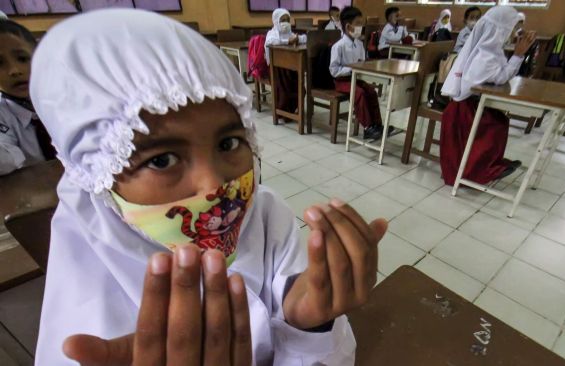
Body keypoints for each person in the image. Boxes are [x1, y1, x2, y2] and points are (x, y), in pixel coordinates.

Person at [31, 9, 387, 365]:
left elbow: (311, 329)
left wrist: (309, 322)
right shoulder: (88, 294)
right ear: (96, 176)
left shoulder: (263, 213)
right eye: (161, 160)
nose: (214, 185)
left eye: (228, 144)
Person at [440, 6, 536, 186]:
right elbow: (500, 77)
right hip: (464, 110)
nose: (514, 33)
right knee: (495, 125)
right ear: (500, 31)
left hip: (470, 105)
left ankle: (488, 164)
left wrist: (516, 55)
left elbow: (499, 77)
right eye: (512, 29)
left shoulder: (490, 51)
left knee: (499, 120)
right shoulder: (485, 56)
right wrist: (517, 56)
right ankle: (479, 170)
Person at [0, 20, 56, 175]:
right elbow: (5, 160)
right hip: (33, 194)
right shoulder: (2, 114)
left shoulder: (63, 97)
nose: (14, 70)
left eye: (23, 59)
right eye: (0, 64)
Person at [330, 6, 393, 141]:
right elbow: (333, 70)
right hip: (342, 81)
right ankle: (368, 127)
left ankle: (378, 125)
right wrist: (351, 69)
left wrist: (363, 67)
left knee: (371, 91)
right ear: (348, 27)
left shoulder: (359, 44)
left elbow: (363, 62)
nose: (361, 27)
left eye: (361, 23)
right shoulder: (338, 46)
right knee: (359, 93)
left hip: (356, 78)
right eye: (358, 24)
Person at [265, 8, 307, 117]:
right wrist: (287, 41)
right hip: (277, 70)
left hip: (290, 68)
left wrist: (298, 39)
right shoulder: (272, 34)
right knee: (285, 90)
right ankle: (282, 111)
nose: (286, 23)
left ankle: (291, 109)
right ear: (276, 21)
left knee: (300, 87)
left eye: (288, 20)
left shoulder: (289, 33)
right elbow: (270, 42)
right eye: (282, 20)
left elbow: (302, 38)